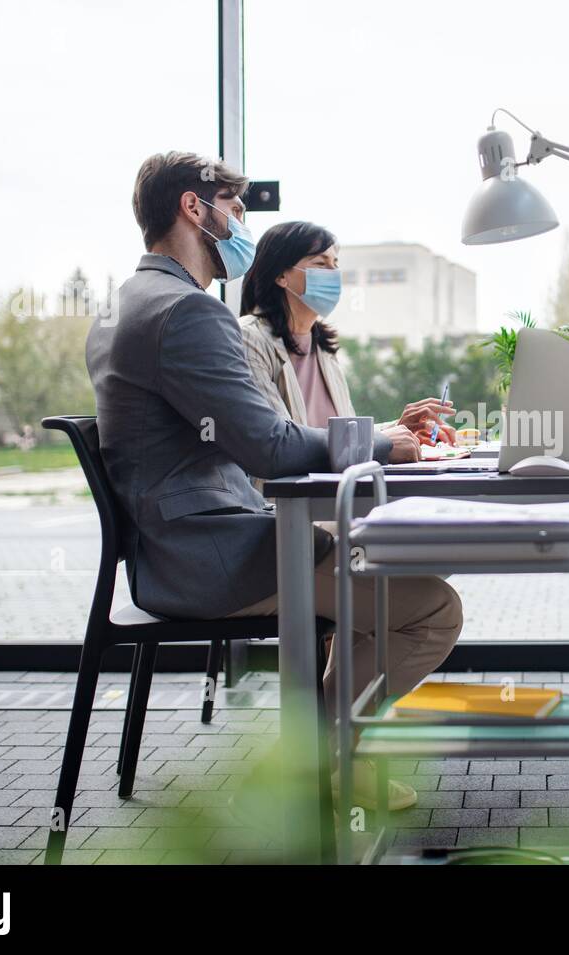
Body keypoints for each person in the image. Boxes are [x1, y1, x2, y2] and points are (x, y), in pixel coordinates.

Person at [86, 151, 462, 809]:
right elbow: (270, 445)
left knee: (372, 580)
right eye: (233, 209)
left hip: (166, 553)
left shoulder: (120, 308)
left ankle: (331, 754)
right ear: (192, 207)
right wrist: (384, 445)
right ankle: (332, 756)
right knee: (433, 608)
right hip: (213, 558)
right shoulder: (188, 313)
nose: (239, 226)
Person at [238, 220, 457, 448]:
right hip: (284, 485)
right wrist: (382, 443)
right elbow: (281, 443)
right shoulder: (248, 339)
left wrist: (402, 427)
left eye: (335, 263)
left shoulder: (323, 348)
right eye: (321, 264)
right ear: (281, 276)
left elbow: (341, 434)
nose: (334, 273)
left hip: (337, 484)